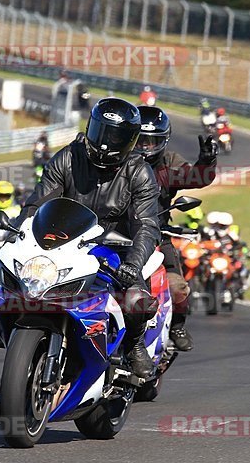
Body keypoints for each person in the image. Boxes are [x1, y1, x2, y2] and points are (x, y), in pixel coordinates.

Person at [12, 97, 161, 378]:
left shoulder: (139, 171)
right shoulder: (68, 157)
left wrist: (134, 264)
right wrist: (14, 239)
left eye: (115, 137)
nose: (105, 143)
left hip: (114, 244)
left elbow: (146, 225)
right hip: (62, 240)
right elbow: (36, 203)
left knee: (136, 300)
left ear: (130, 141)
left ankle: (134, 345)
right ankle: (19, 333)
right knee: (18, 280)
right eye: (100, 132)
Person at [133, 105, 218, 351]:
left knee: (177, 286)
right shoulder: (118, 160)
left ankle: (178, 325)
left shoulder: (168, 161)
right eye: (140, 140)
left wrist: (206, 162)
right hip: (113, 232)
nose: (145, 147)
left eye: (151, 141)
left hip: (156, 234)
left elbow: (195, 178)